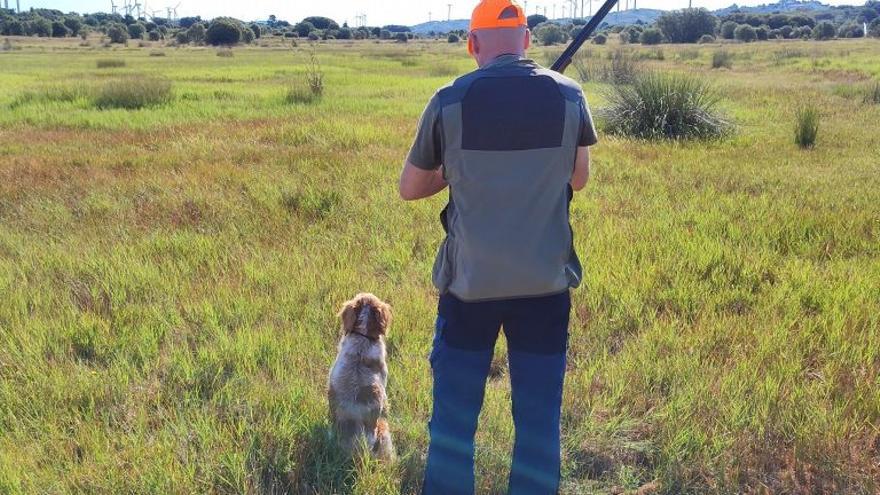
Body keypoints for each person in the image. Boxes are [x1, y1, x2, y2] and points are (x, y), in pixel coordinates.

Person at [399, 0, 598, 493]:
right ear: (527, 40)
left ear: (472, 44)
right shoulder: (571, 97)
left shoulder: (449, 100)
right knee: (538, 426)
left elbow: (410, 187)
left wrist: (458, 170)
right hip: (544, 287)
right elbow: (579, 178)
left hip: (469, 289)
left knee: (452, 428)